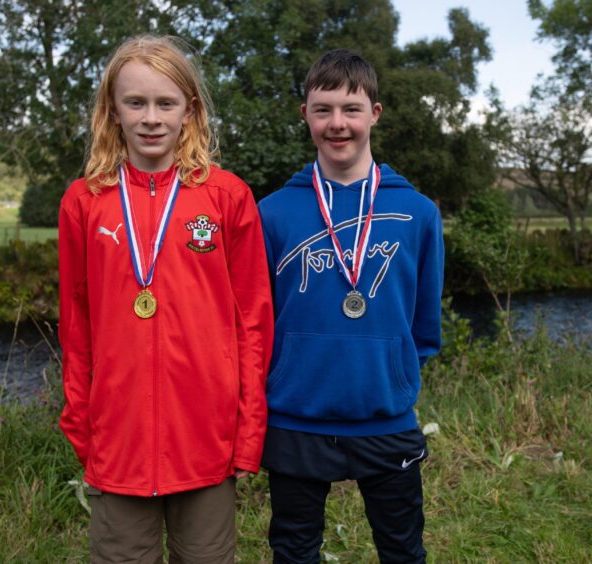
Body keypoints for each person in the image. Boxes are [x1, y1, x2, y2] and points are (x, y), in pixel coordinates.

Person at [58, 35, 273, 563]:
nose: (151, 118)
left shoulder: (226, 196)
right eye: (136, 102)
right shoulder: (84, 201)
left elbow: (253, 323)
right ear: (113, 110)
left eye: (165, 103)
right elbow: (76, 326)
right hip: (119, 442)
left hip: (207, 440)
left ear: (189, 111)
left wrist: (247, 434)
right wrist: (83, 427)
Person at [257, 49, 444, 563]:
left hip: (386, 417)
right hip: (297, 415)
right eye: (323, 109)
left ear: (374, 114)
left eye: (350, 109)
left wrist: (391, 373)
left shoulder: (418, 213)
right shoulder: (271, 213)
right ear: (305, 115)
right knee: (294, 551)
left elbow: (425, 325)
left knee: (403, 550)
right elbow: (258, 320)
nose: (337, 124)